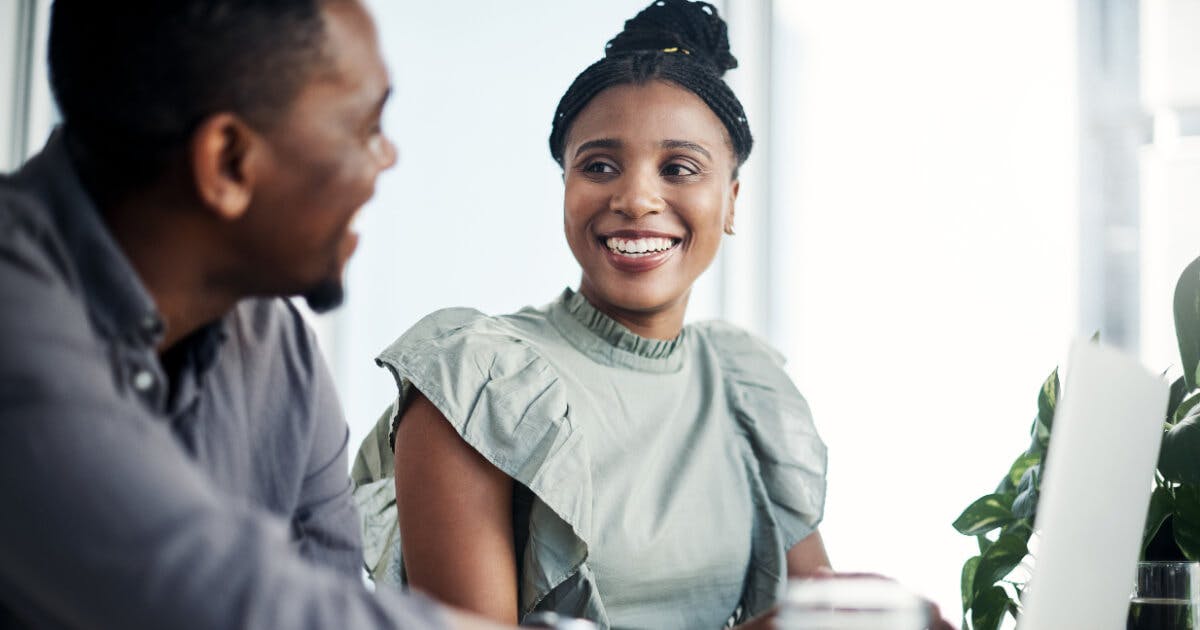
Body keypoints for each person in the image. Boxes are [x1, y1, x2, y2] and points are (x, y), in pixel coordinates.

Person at [0, 1, 511, 628]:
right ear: (229, 161)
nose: (386, 159)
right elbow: (210, 593)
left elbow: (322, 588)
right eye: (364, 128)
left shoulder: (282, 351)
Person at [352, 1, 835, 628]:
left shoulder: (749, 386)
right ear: (565, 188)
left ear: (732, 201)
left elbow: (822, 605)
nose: (635, 198)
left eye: (680, 168)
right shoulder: (476, 382)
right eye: (599, 166)